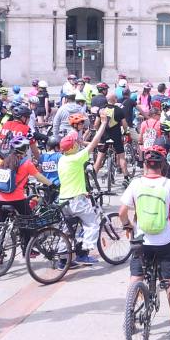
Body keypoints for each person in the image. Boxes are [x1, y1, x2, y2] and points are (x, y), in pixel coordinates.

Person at [120, 148, 170, 336]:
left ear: (145, 165)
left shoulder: (136, 184)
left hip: (141, 240)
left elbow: (122, 212)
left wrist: (127, 225)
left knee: (136, 277)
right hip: (164, 241)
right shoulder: (168, 184)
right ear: (162, 166)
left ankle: (130, 316)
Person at [57, 114, 109, 267]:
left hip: (63, 200)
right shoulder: (76, 158)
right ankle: (83, 253)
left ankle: (63, 259)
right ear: (72, 147)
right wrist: (103, 124)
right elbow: (93, 143)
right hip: (76, 200)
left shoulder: (62, 159)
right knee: (92, 224)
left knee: (67, 229)